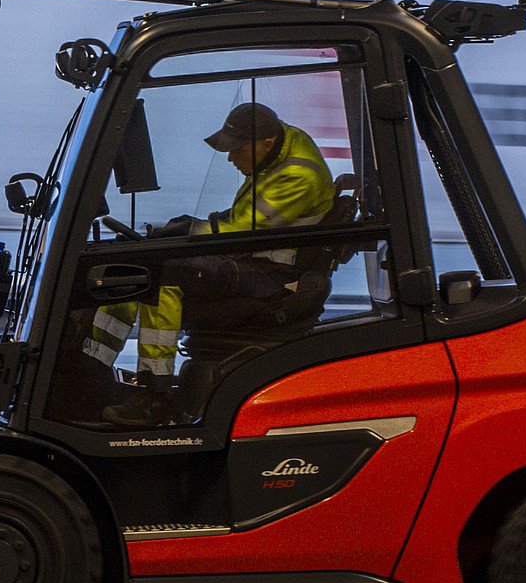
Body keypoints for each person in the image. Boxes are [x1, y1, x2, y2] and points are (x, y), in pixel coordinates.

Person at [87, 101, 338, 425]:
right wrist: (182, 229)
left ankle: (155, 397)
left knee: (164, 277)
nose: (231, 158)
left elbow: (239, 231)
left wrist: (187, 228)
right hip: (252, 257)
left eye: (237, 150)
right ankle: (91, 373)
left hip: (271, 275)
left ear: (266, 143)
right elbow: (244, 220)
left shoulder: (298, 175)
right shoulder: (281, 144)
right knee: (137, 265)